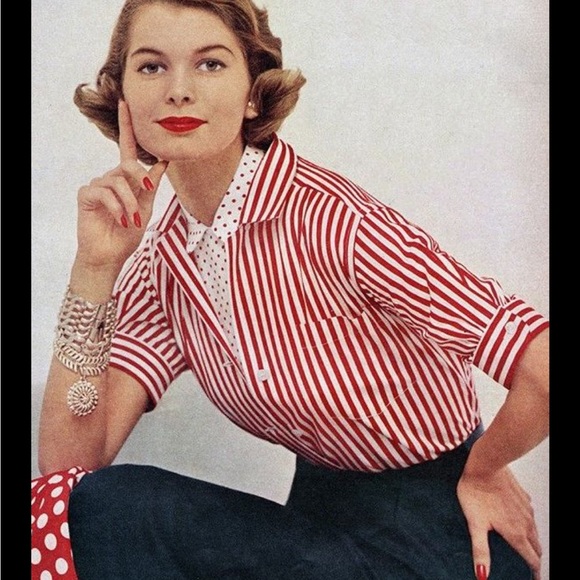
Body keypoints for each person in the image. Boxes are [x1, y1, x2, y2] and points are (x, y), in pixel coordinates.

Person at [31, 1, 549, 579]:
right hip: (320, 530)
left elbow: (542, 364)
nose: (179, 91)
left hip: (443, 536)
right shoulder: (166, 261)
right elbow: (70, 467)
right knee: (101, 506)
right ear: (122, 97)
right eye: (151, 67)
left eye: (210, 64)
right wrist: (95, 267)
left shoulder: (333, 221)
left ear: (254, 93)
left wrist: (483, 470)